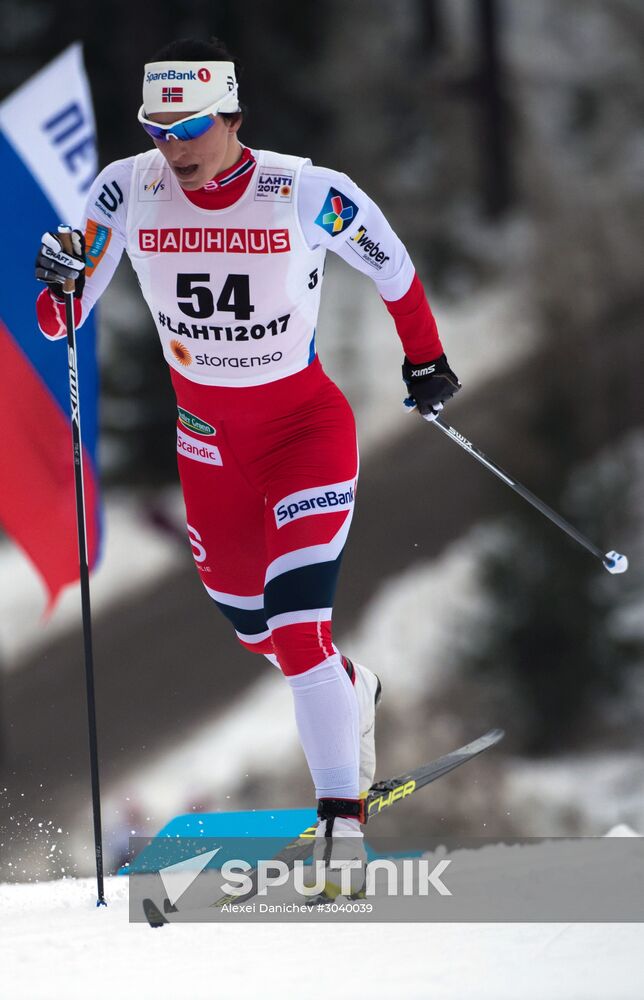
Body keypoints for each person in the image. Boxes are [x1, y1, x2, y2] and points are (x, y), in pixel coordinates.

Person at [35, 37, 460, 898]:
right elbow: (57, 321)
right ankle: (352, 689)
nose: (174, 147)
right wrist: (57, 282)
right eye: (158, 127)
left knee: (298, 627)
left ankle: (345, 827)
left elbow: (392, 264)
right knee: (257, 632)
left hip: (304, 431)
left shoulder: (305, 192)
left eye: (190, 126)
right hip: (208, 449)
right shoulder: (124, 188)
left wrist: (426, 358)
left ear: (232, 116)